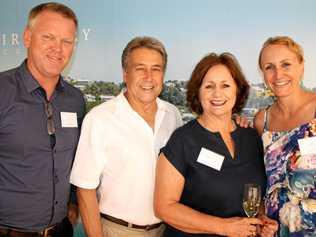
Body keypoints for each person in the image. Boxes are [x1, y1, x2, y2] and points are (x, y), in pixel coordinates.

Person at [154, 52, 278, 237]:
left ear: (237, 90)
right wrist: (224, 227)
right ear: (198, 91)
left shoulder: (251, 138)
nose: (217, 93)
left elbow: (252, 196)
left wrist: (261, 221)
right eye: (209, 86)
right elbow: (164, 208)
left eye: (225, 85)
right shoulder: (182, 140)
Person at [70, 36, 183, 237]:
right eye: (140, 68)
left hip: (166, 230)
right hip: (118, 230)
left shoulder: (173, 115)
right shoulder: (100, 119)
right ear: (125, 73)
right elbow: (85, 189)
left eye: (156, 69)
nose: (149, 77)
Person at [0, 2, 85, 236]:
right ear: (27, 38)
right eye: (48, 37)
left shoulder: (75, 100)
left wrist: (72, 203)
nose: (58, 49)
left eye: (67, 41)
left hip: (61, 230)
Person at [254, 36, 316, 236]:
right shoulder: (261, 120)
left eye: (286, 64)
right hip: (277, 230)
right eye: (269, 67)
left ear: (301, 66)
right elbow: (262, 180)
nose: (278, 74)